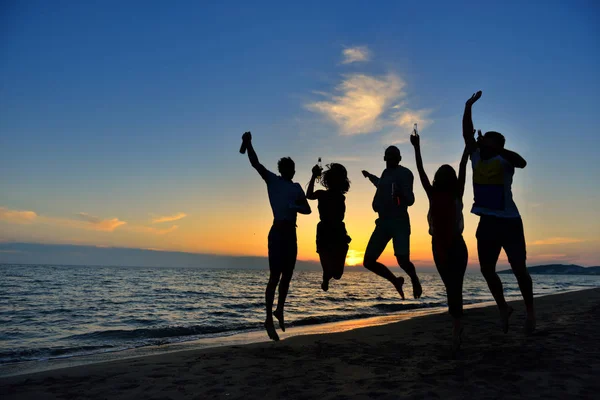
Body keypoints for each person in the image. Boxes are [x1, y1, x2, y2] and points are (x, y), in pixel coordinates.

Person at [462, 91, 535, 334]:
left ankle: (530, 313)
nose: (481, 144)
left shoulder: (504, 161)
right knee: (486, 270)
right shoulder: (475, 157)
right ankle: (503, 308)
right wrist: (468, 106)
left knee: (518, 269)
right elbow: (466, 134)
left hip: (510, 222)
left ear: (496, 145)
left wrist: (497, 148)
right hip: (487, 222)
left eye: (487, 143)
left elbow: (522, 162)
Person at [241, 131, 312, 341]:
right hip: (277, 232)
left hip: (291, 232)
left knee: (287, 277)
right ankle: (268, 320)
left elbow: (307, 209)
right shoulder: (273, 180)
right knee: (274, 277)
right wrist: (249, 144)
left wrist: (295, 205)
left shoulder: (297, 187)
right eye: (288, 169)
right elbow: (256, 164)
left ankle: (279, 310)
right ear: (283, 170)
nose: (291, 171)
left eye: (293, 169)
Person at [411, 132, 469, 351]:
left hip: (451, 246)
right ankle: (457, 324)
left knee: (454, 287)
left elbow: (421, 170)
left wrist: (417, 147)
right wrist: (466, 147)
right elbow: (422, 171)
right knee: (452, 287)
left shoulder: (452, 193)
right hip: (443, 247)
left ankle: (457, 327)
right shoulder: (440, 193)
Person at [361, 146, 422, 299]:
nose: (390, 158)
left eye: (393, 156)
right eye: (387, 156)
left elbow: (411, 200)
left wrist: (401, 193)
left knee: (402, 261)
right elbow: (381, 184)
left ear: (399, 158)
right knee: (368, 262)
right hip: (382, 222)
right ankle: (395, 281)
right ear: (384, 158)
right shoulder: (385, 173)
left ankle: (414, 279)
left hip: (399, 221)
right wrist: (369, 176)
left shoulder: (406, 173)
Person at [306, 162, 352, 292]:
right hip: (324, 232)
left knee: (337, 275)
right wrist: (313, 176)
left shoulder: (341, 197)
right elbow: (309, 195)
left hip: (339, 232)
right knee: (328, 269)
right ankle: (326, 278)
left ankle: (327, 277)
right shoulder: (322, 194)